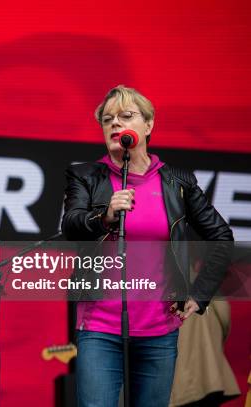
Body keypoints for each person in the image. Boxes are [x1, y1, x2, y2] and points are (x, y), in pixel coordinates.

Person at [61, 85, 233, 407]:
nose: (115, 124)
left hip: (159, 329)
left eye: (126, 116)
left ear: (149, 125)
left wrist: (200, 294)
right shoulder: (85, 176)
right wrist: (106, 215)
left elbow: (221, 237)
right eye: (108, 119)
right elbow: (71, 225)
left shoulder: (177, 181)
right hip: (99, 325)